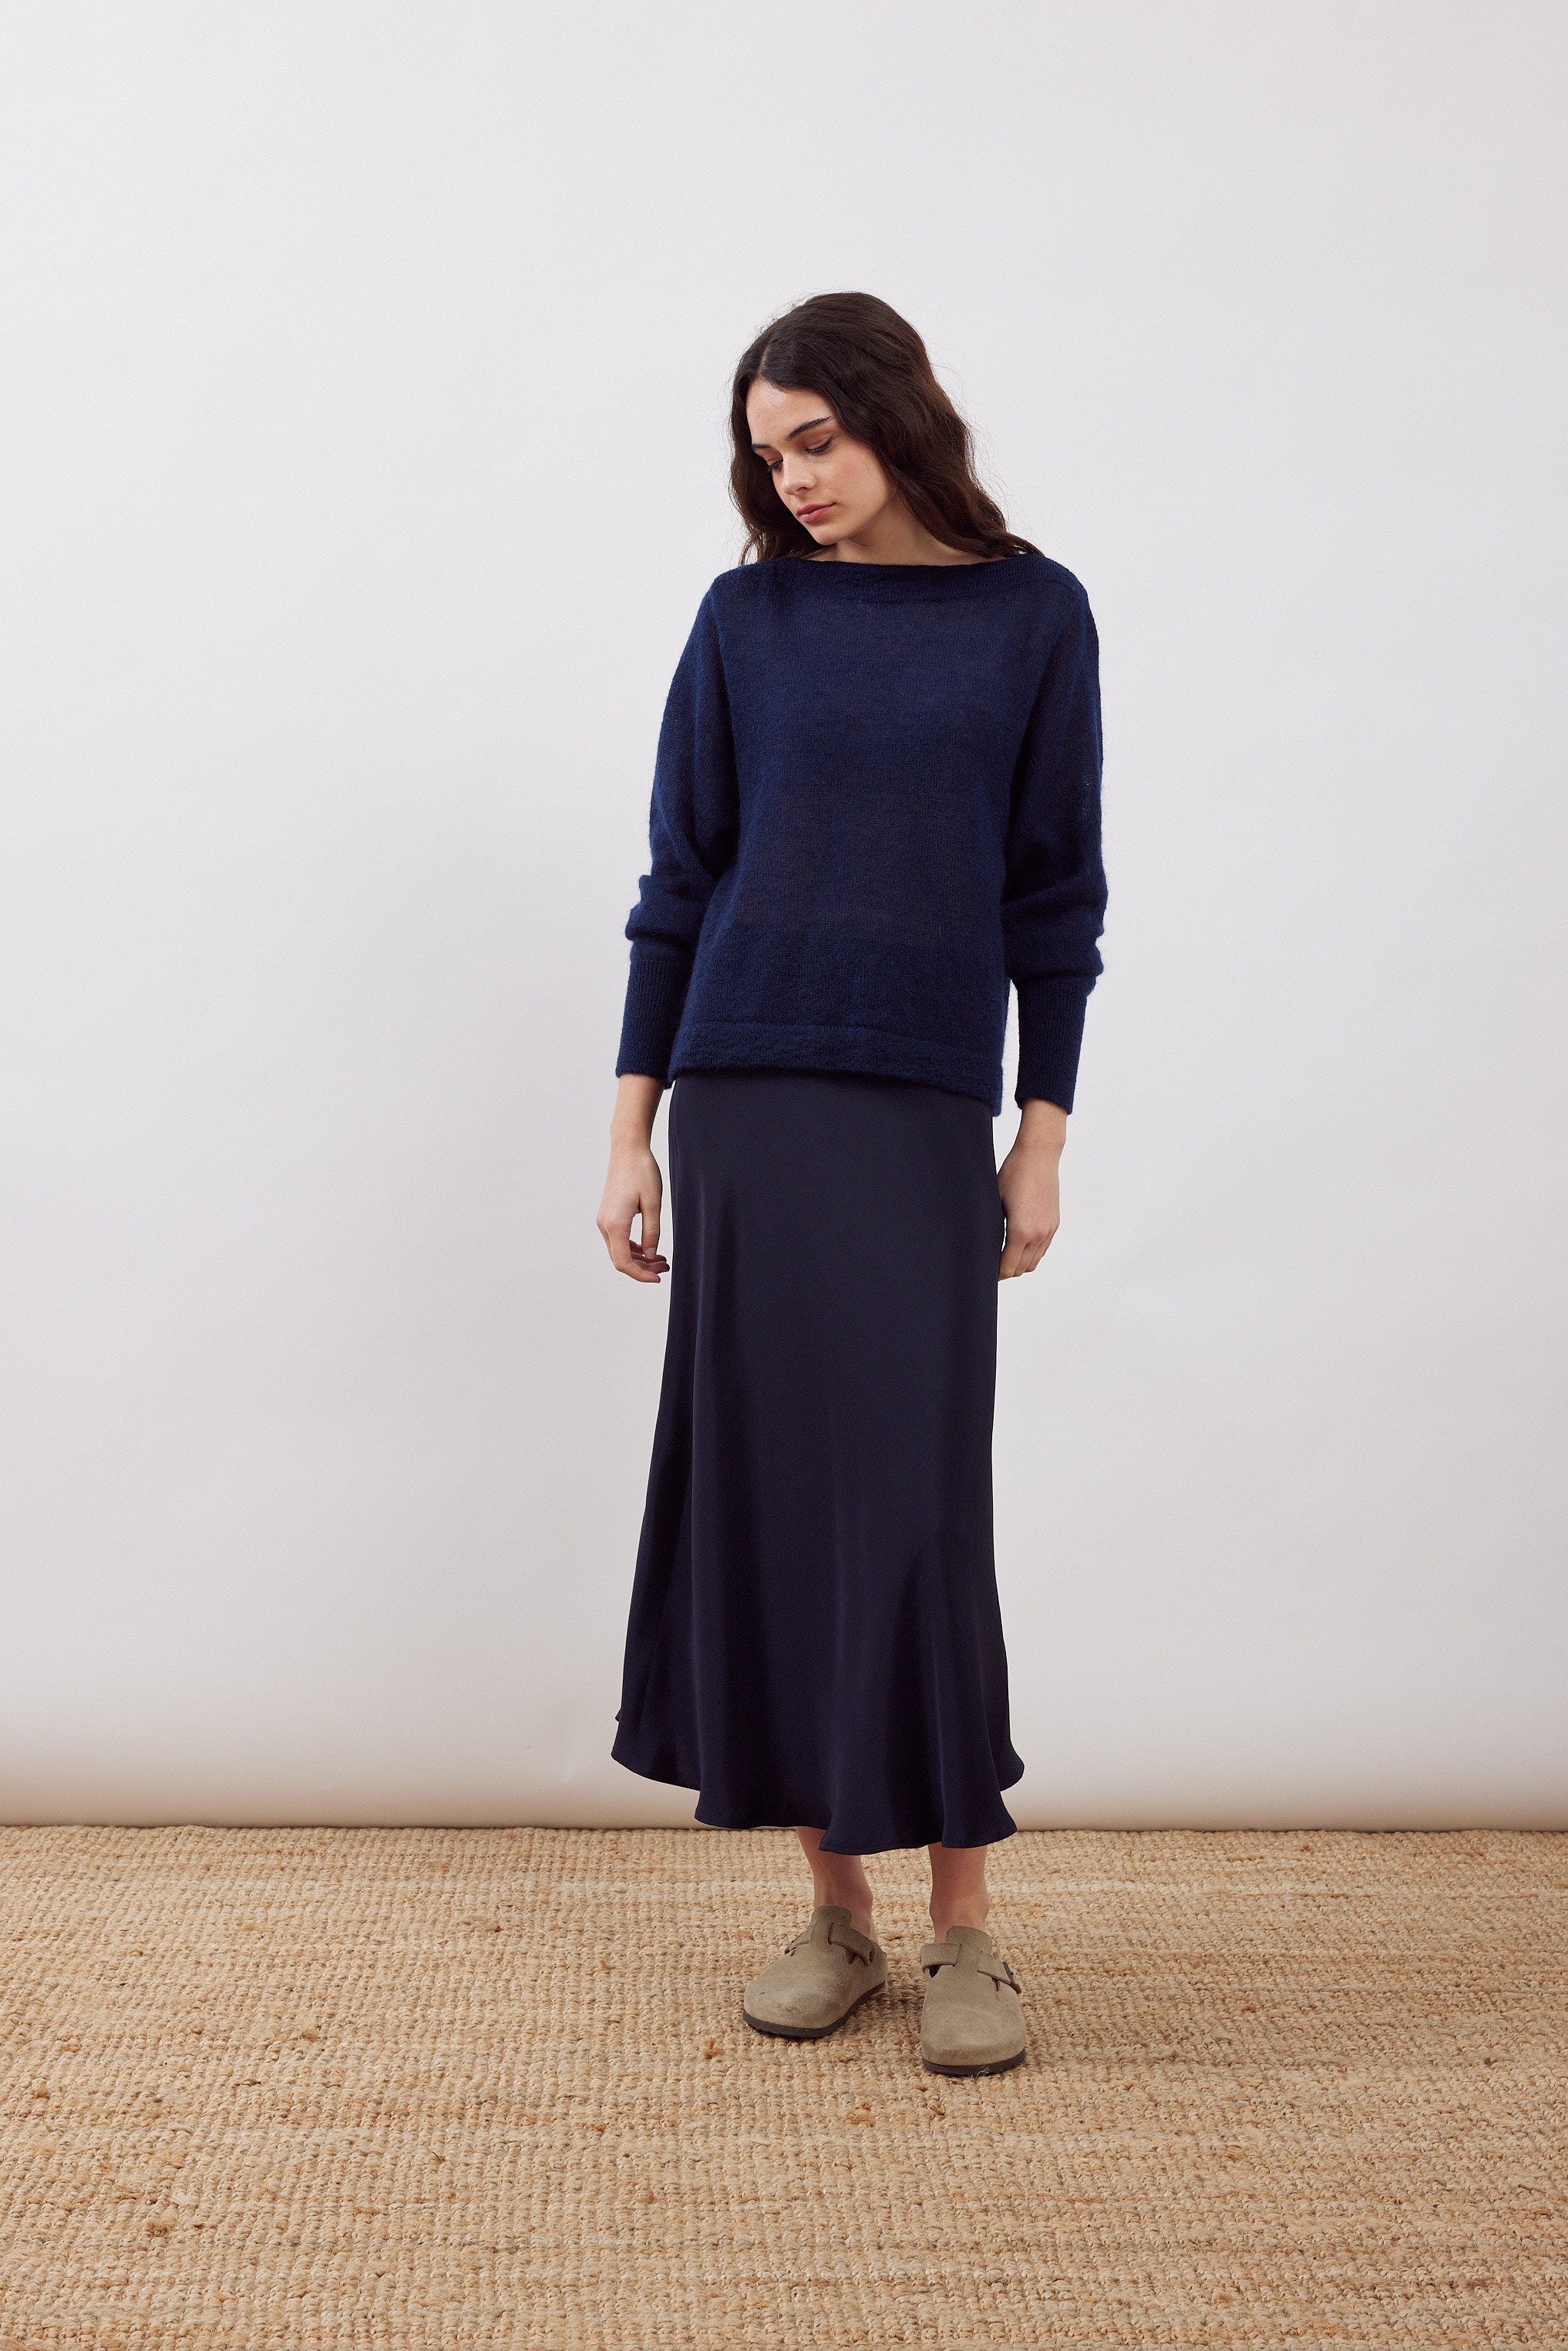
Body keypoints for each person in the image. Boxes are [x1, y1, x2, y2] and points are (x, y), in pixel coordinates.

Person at [597, 291, 1106, 2077]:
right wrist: (631, 1125)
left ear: (896, 412)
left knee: (914, 1503)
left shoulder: (1034, 614)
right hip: (744, 1090)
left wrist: (1042, 1131)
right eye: (768, 455)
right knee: (780, 1500)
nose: (795, 478)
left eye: (816, 438)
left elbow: (1055, 893)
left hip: (916, 1105)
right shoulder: (748, 620)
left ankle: (968, 1926)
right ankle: (837, 1910)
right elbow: (681, 878)